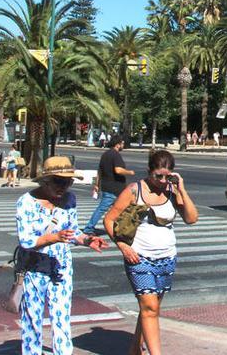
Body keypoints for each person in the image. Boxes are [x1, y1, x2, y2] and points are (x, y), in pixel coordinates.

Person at [104, 150, 198, 355]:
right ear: (149, 172)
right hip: (139, 258)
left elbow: (191, 218)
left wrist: (182, 188)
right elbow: (109, 219)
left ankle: (134, 349)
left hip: (166, 258)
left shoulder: (172, 192)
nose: (163, 181)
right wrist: (123, 246)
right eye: (158, 176)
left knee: (150, 309)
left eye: (167, 176)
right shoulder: (134, 190)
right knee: (150, 308)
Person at [15, 156, 107, 355]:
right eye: (59, 181)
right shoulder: (26, 203)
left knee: (62, 316)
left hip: (61, 267)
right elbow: (26, 240)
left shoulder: (70, 200)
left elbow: (72, 231)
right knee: (32, 318)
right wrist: (54, 237)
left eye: (68, 181)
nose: (63, 186)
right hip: (34, 269)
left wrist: (87, 240)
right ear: (45, 180)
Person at [83, 135, 135, 236]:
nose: (123, 145)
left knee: (122, 209)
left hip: (107, 187)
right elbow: (118, 170)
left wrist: (97, 185)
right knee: (107, 209)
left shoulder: (105, 154)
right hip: (115, 189)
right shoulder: (115, 155)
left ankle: (120, 228)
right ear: (118, 144)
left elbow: (99, 171)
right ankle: (89, 228)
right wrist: (130, 172)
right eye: (122, 143)